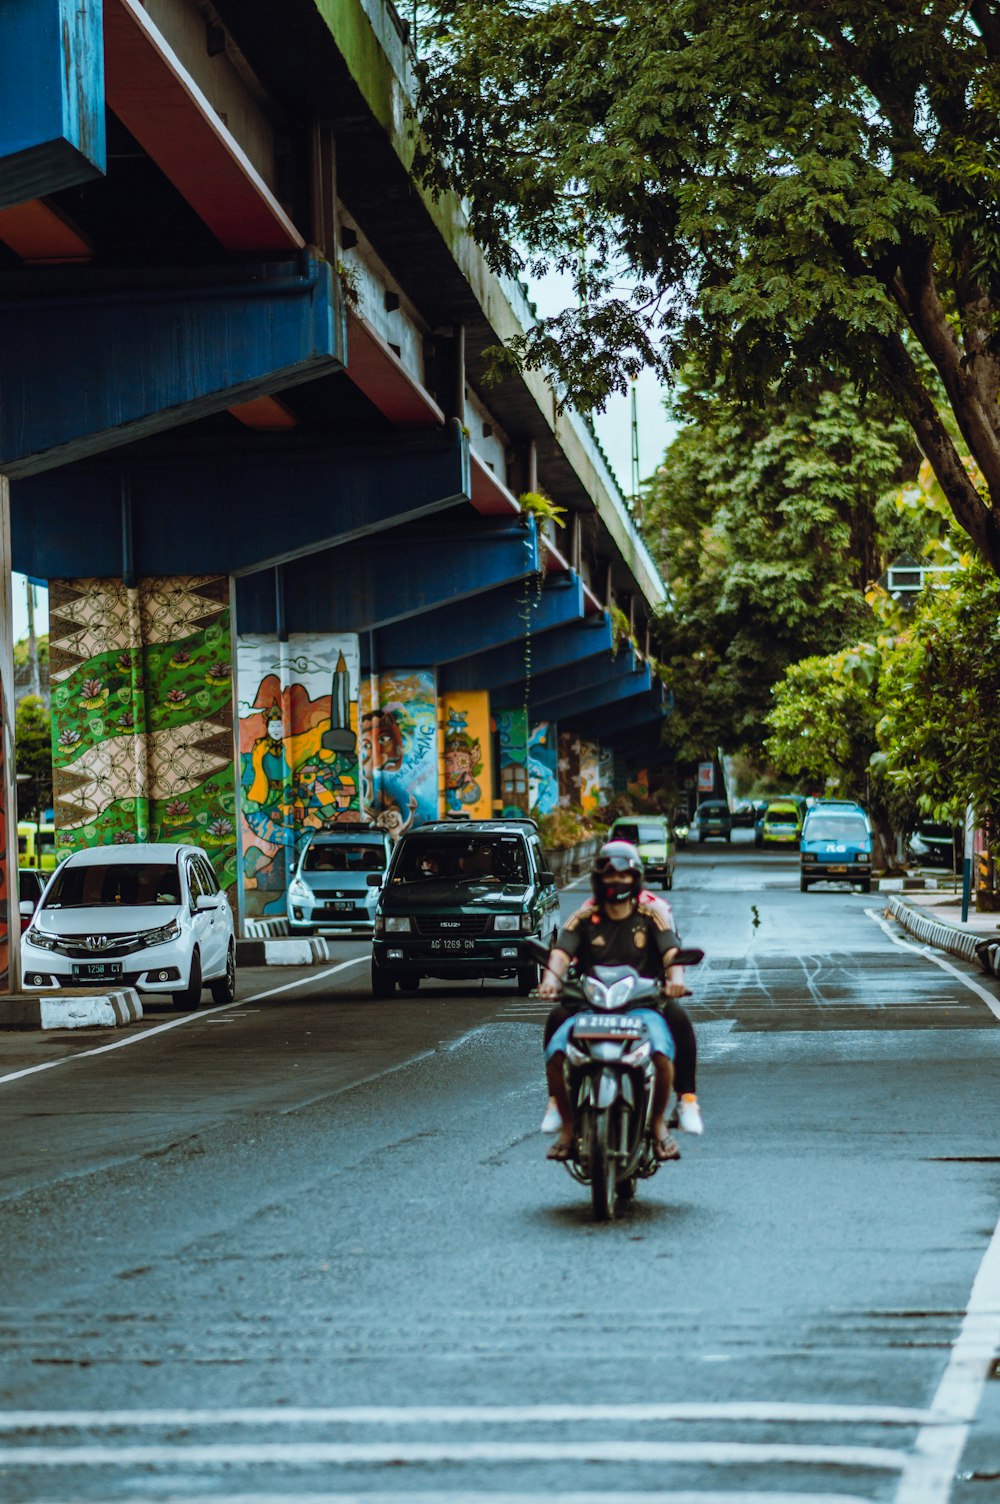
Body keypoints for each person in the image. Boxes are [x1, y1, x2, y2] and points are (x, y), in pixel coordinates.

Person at [537, 840, 703, 1162]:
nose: (618, 882)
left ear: (636, 879)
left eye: (624, 877)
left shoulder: (651, 916)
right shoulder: (584, 917)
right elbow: (560, 954)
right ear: (599, 879)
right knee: (556, 1048)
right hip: (590, 1006)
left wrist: (677, 982)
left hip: (643, 1007)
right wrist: (548, 980)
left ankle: (659, 1125)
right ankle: (567, 1125)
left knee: (662, 1052)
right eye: (610, 876)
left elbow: (671, 954)